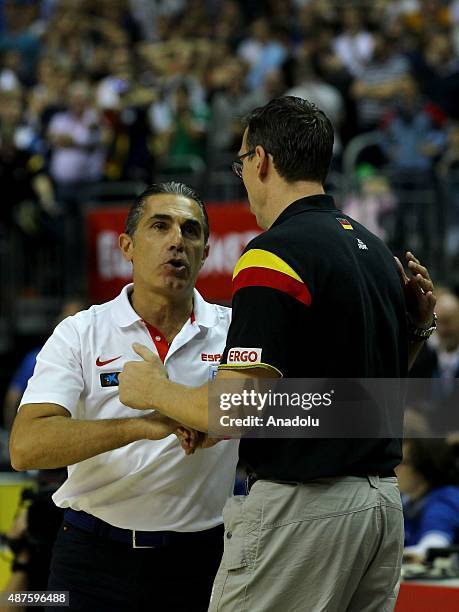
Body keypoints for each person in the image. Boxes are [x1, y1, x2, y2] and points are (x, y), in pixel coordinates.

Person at [118, 97, 437, 612]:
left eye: (240, 162)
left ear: (261, 160)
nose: (242, 175)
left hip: (305, 507)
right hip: (380, 507)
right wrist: (420, 330)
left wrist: (153, 389)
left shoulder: (274, 252)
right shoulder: (377, 251)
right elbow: (364, 395)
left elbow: (239, 408)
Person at [9, 181, 239, 612]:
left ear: (205, 253)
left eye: (191, 232)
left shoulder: (236, 332)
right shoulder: (79, 332)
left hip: (202, 560)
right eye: (160, 226)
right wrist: (144, 426)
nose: (177, 241)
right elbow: (25, 447)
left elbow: (302, 410)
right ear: (127, 246)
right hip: (91, 556)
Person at [396, 438, 459, 561]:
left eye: (402, 462)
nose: (394, 468)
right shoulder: (406, 500)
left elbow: (433, 544)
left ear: (423, 467)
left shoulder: (445, 499)